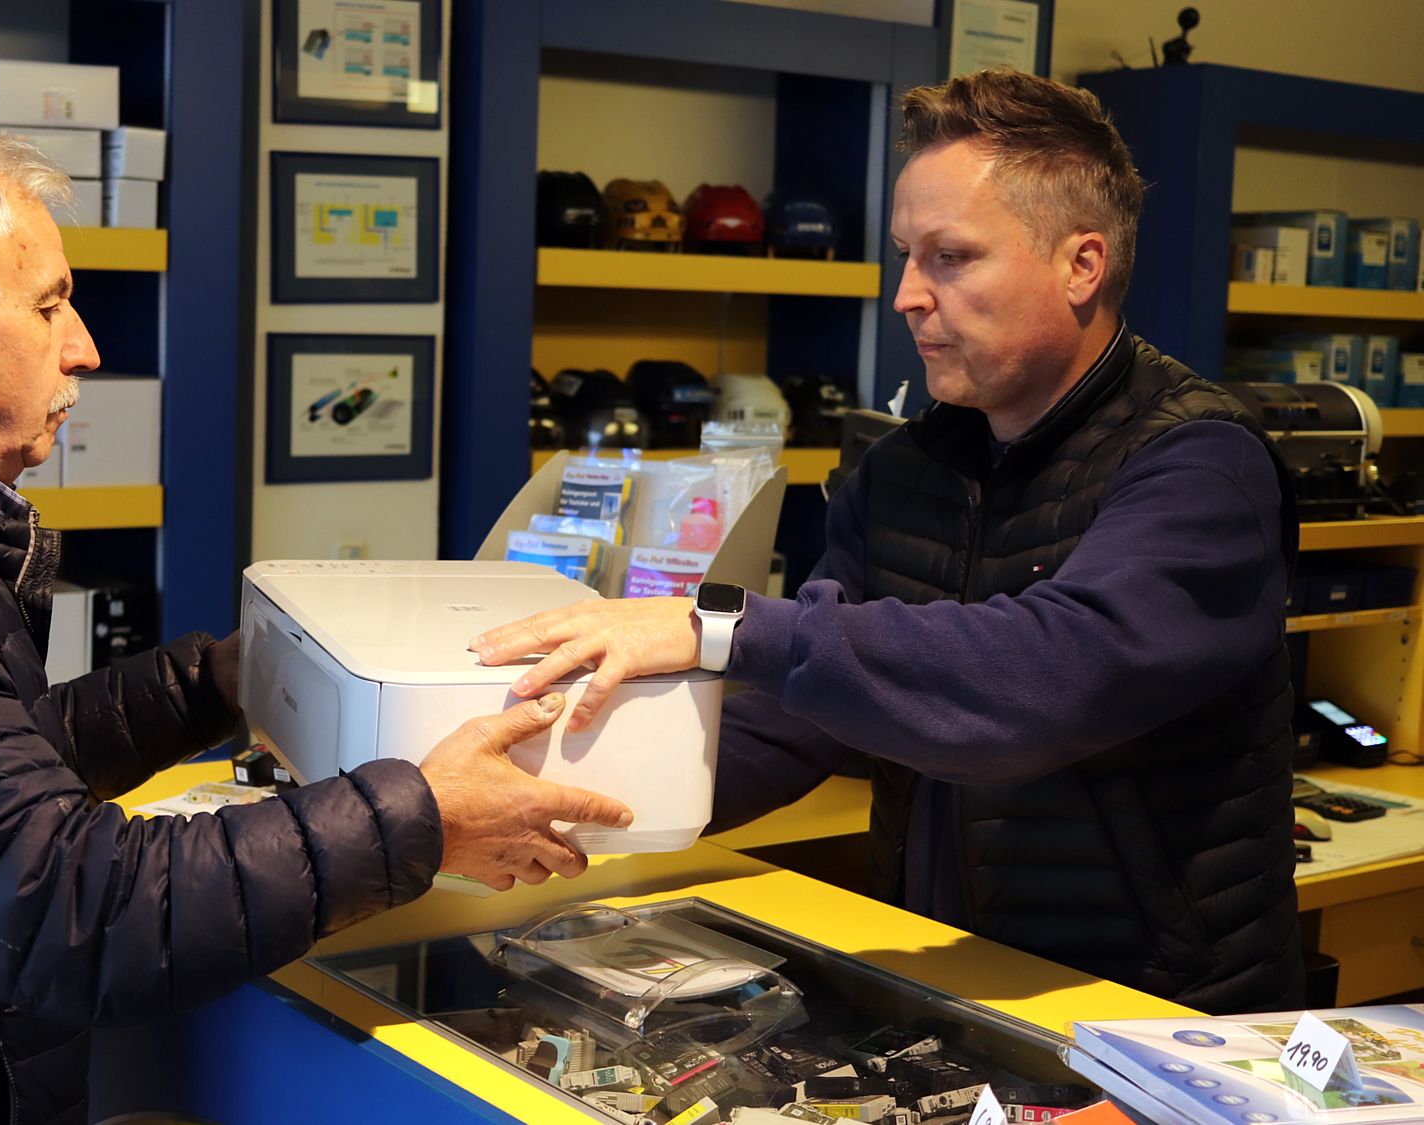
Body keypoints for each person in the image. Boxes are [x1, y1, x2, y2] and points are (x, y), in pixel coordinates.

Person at [0, 134, 632, 1124]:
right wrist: (416, 817)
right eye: (48, 305)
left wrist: (220, 683)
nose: (83, 347)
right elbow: (65, 912)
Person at [472, 68, 1302, 1015]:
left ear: (1082, 265)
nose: (908, 294)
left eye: (950, 257)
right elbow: (799, 717)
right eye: (907, 254)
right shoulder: (906, 470)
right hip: (958, 987)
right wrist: (528, 796)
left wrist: (722, 628)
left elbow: (1051, 675)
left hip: (1161, 1024)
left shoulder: (1200, 466)